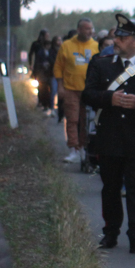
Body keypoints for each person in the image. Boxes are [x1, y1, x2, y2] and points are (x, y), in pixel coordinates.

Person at [83, 14, 135, 256]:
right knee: (110, 188)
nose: (116, 41)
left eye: (121, 38)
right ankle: (110, 233)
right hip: (109, 136)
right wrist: (109, 98)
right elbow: (87, 95)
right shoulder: (101, 64)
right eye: (116, 37)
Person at [53, 18, 98, 163]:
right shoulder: (67, 45)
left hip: (88, 90)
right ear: (79, 30)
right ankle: (73, 149)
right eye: (87, 29)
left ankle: (83, 148)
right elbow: (58, 67)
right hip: (70, 89)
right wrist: (60, 86)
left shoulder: (95, 46)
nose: (90, 31)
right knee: (72, 120)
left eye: (91, 28)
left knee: (86, 121)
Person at [29, 29, 54, 115]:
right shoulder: (36, 44)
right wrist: (31, 64)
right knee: (41, 85)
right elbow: (31, 54)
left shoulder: (49, 45)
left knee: (46, 86)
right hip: (39, 68)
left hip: (47, 69)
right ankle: (41, 101)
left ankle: (46, 103)